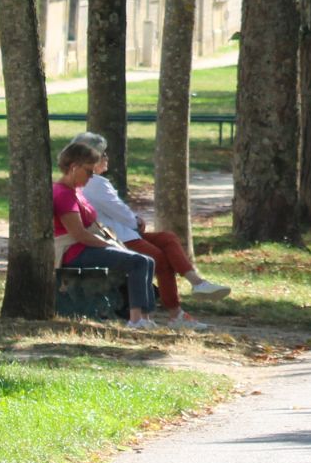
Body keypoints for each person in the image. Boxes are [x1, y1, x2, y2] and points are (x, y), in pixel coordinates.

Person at [66, 134, 229, 329]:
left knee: (167, 238)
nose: (107, 158)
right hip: (116, 236)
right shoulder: (95, 184)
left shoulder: (87, 181)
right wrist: (137, 221)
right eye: (103, 155)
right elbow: (120, 212)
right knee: (159, 258)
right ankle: (174, 313)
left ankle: (197, 284)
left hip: (123, 232)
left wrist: (134, 222)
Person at [52, 141, 160, 329]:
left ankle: (145, 317)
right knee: (139, 261)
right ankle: (135, 319)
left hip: (86, 247)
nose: (91, 177)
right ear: (74, 167)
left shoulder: (76, 191)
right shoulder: (64, 194)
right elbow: (80, 235)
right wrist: (110, 245)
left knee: (147, 260)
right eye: (88, 171)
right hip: (74, 252)